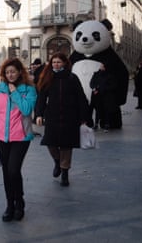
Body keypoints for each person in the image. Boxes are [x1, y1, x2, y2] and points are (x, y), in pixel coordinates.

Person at [0, 58, 37, 222]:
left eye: (13, 71)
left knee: (13, 170)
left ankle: (19, 202)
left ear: (19, 72)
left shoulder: (28, 89)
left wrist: (15, 92)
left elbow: (27, 109)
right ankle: (10, 205)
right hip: (2, 137)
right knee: (6, 173)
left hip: (21, 137)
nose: (10, 74)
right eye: (7, 72)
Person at [35, 52, 91, 187]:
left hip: (70, 116)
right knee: (50, 142)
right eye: (54, 62)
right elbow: (41, 98)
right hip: (52, 116)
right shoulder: (47, 77)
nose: (56, 64)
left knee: (66, 145)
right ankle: (57, 161)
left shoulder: (72, 78)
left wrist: (84, 117)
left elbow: (81, 97)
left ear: (65, 63)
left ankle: (65, 173)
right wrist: (39, 114)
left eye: (59, 62)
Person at [89, 63, 117, 132]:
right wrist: (94, 88)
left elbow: (113, 85)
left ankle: (106, 125)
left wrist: (103, 88)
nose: (101, 67)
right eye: (101, 66)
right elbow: (91, 83)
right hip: (97, 95)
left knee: (106, 110)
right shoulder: (96, 74)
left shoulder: (110, 75)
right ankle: (96, 124)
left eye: (103, 66)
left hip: (106, 96)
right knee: (97, 110)